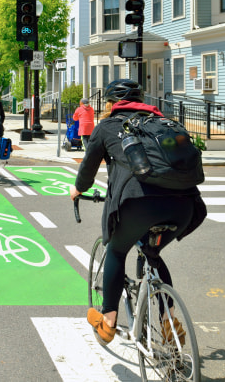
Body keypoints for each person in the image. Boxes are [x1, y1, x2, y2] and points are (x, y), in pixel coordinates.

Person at [69, 79, 206, 345]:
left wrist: (77, 190)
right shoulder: (164, 123)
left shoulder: (108, 126)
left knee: (117, 251)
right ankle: (169, 319)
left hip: (139, 204)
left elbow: (88, 169)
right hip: (185, 206)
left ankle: (108, 321)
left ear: (110, 104)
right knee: (152, 252)